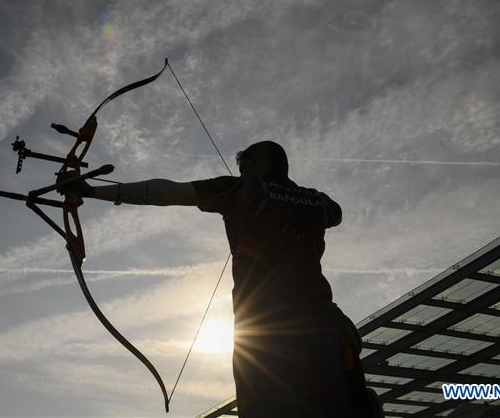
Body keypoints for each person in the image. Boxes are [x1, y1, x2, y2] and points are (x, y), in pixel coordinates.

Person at [57, 140, 380, 417]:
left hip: (269, 335)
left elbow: (167, 191)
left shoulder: (244, 189)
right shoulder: (317, 201)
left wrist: (91, 190)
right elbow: (336, 214)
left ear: (262, 162)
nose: (242, 172)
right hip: (328, 328)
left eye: (246, 165)